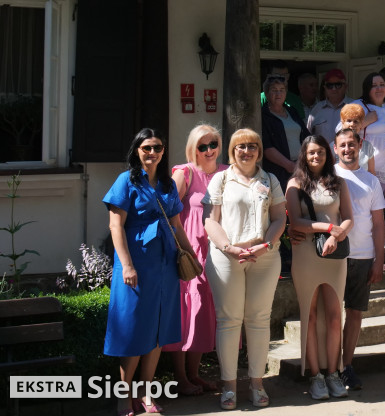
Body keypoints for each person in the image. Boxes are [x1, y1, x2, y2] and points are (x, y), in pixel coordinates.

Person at [104, 128, 193, 416]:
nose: (152, 152)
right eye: (146, 147)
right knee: (132, 330)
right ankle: (122, 395)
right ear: (137, 150)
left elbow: (176, 225)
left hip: (165, 265)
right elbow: (115, 226)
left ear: (163, 151)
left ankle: (146, 393)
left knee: (156, 330)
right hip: (136, 266)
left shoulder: (167, 184)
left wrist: (190, 255)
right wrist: (127, 265)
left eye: (157, 147)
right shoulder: (126, 181)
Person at [204, 129, 286, 409]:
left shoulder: (270, 179)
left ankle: (257, 384)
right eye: (241, 147)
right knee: (229, 320)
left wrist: (265, 245)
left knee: (259, 320)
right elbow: (210, 221)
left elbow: (278, 219)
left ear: (259, 150)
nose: (247, 151)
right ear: (232, 151)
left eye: (252, 146)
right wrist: (229, 247)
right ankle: (228, 387)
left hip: (263, 256)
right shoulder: (221, 179)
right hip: (227, 257)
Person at [285, 135, 354, 400]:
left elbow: (348, 218)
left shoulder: (339, 183)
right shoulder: (295, 184)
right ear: (304, 155)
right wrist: (326, 227)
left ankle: (333, 374)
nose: (316, 157)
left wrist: (336, 236)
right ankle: (315, 376)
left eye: (321, 153)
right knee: (310, 315)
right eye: (312, 153)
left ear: (328, 154)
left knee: (336, 315)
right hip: (306, 254)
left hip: (335, 255)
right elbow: (295, 223)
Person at [166, 124, 227, 396]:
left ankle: (194, 374)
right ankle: (180, 377)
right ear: (193, 149)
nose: (208, 150)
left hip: (218, 249)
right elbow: (168, 212)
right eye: (202, 146)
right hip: (190, 250)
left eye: (212, 144)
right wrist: (182, 247)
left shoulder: (227, 172)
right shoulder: (185, 173)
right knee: (186, 312)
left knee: (205, 312)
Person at [332, 128, 385, 392]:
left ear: (360, 145)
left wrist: (379, 260)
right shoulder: (327, 174)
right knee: (329, 315)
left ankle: (346, 366)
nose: (347, 149)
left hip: (363, 256)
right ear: (335, 147)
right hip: (332, 256)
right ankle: (328, 367)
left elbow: (378, 224)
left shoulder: (371, 180)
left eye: (351, 145)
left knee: (354, 314)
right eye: (342, 145)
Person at [356, 72, 385, 195]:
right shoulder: (358, 106)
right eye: (374, 85)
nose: (379, 88)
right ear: (367, 89)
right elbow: (342, 131)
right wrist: (366, 121)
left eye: (382, 84)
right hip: (371, 170)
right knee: (374, 211)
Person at [261, 73, 310, 190]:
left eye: (282, 90)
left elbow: (306, 137)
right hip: (278, 171)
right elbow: (267, 148)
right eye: (274, 90)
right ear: (267, 93)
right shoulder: (263, 115)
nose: (278, 94)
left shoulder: (292, 111)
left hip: (300, 167)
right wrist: (289, 165)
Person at [306, 69, 350, 147]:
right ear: (325, 88)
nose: (334, 89)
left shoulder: (354, 106)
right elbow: (308, 136)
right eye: (330, 85)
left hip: (347, 156)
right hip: (322, 157)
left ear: (346, 86)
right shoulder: (317, 109)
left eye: (338, 84)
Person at [337, 103, 376, 175]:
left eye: (356, 121)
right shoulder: (334, 146)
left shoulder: (367, 146)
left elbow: (371, 172)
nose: (352, 124)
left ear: (361, 124)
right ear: (342, 123)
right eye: (349, 121)